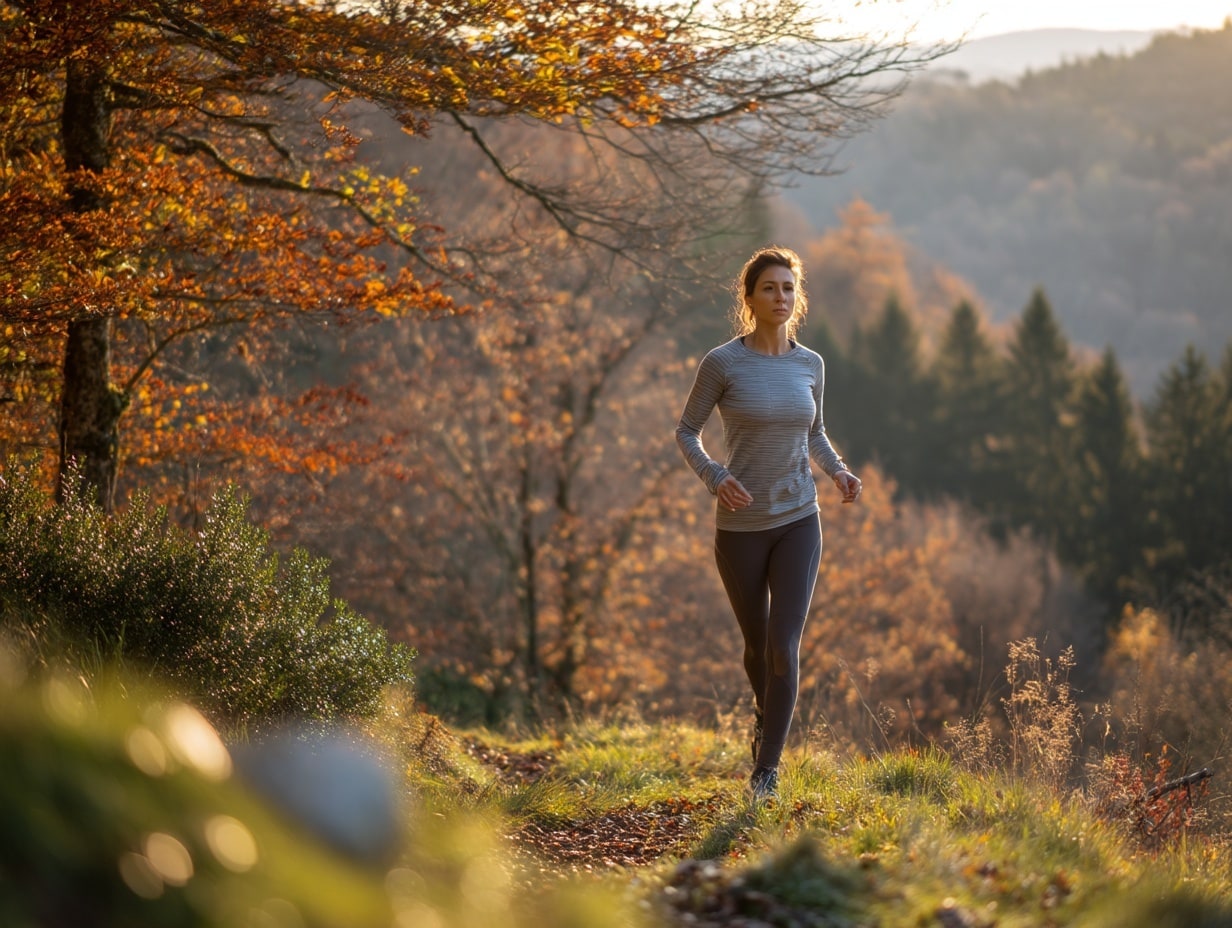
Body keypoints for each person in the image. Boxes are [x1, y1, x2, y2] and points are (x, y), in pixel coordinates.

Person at [675, 246, 861, 800]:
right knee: (756, 647)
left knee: (785, 644)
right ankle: (764, 721)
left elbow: (814, 432)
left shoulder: (812, 364)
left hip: (799, 518)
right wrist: (714, 476)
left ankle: (766, 772)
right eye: (769, 289)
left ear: (796, 297)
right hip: (740, 528)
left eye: (788, 288)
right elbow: (687, 431)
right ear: (750, 299)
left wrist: (838, 471)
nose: (780, 297)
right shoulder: (723, 363)